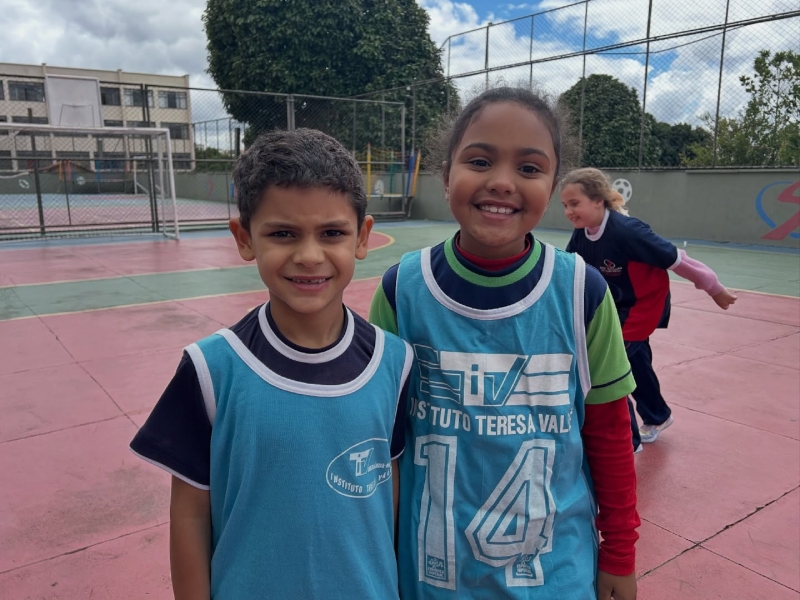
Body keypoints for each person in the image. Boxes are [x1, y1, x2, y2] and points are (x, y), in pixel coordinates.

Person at [370, 88, 640, 600]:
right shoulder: (401, 291)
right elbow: (383, 443)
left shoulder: (581, 292)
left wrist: (620, 553)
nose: (501, 181)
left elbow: (609, 434)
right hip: (431, 578)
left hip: (554, 576)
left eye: (529, 168)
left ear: (552, 186)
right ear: (446, 174)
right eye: (479, 160)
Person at [130, 129, 413, 600]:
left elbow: (390, 497)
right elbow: (190, 514)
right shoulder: (211, 370)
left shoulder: (394, 362)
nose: (309, 256)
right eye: (283, 234)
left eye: (332, 233)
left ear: (362, 237)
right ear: (244, 239)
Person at [562, 167, 737, 449]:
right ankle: (658, 415)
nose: (569, 211)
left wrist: (715, 289)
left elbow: (677, 259)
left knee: (609, 364)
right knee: (636, 363)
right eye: (565, 205)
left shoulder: (628, 231)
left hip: (642, 306)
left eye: (574, 203)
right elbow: (569, 269)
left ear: (597, 201)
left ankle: (629, 440)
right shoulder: (583, 234)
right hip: (615, 305)